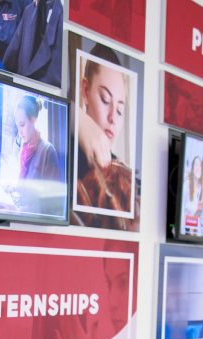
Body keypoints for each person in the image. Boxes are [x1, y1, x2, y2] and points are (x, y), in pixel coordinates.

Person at [72, 44, 139, 231]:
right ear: (85, 91)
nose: (112, 118)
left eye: (119, 110)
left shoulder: (125, 177)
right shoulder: (65, 155)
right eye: (105, 100)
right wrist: (75, 116)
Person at [3, 0, 63, 87]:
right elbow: (9, 61)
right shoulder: (29, 11)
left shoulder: (68, 21)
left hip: (49, 97)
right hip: (17, 93)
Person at [15, 95, 61, 182]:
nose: (19, 132)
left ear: (33, 120)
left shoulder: (48, 151)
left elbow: (53, 194)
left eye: (22, 125)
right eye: (18, 126)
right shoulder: (23, 151)